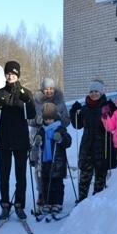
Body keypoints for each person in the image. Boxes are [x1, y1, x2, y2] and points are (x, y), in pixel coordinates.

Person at [0, 60, 36, 220]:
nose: (10, 76)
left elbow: (31, 115)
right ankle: (5, 204)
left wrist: (28, 101)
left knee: (20, 174)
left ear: (18, 75)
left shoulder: (26, 93)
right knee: (4, 175)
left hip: (21, 139)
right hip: (4, 139)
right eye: (8, 73)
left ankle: (19, 204)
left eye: (13, 74)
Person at [69, 81, 116, 203]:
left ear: (101, 92)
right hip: (87, 146)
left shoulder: (107, 107)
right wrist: (73, 112)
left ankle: (97, 202)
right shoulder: (85, 109)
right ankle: (81, 200)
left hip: (103, 146)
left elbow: (115, 123)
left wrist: (113, 109)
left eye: (96, 91)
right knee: (85, 175)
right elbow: (77, 125)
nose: (94, 94)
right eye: (91, 91)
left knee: (100, 175)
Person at [28, 78, 69, 206]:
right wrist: (37, 120)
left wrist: (59, 117)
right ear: (42, 89)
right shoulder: (36, 101)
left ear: (55, 88)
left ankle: (55, 198)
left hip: (54, 138)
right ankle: (41, 193)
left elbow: (67, 121)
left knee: (53, 167)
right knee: (39, 167)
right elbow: (29, 120)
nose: (49, 91)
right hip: (38, 136)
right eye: (46, 88)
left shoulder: (60, 101)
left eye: (51, 88)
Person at [31, 103, 71, 213]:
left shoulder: (60, 129)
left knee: (57, 184)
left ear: (55, 118)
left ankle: (57, 202)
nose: (48, 121)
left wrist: (60, 139)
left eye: (51, 119)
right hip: (45, 162)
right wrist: (38, 140)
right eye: (46, 119)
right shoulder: (42, 129)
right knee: (46, 183)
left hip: (58, 162)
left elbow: (68, 142)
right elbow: (36, 142)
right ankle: (48, 202)